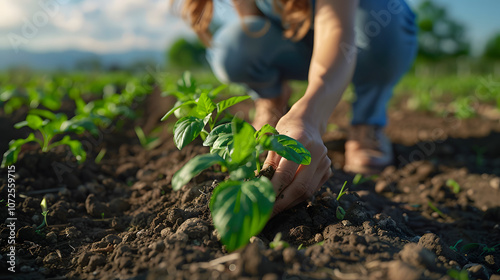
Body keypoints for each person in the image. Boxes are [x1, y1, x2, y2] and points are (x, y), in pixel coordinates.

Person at [177, 0, 417, 215]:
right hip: (298, 38)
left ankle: (367, 121)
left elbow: (335, 28)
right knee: (232, 48)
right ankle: (271, 101)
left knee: (383, 19)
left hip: (359, 33)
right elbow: (252, 26)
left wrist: (310, 115)